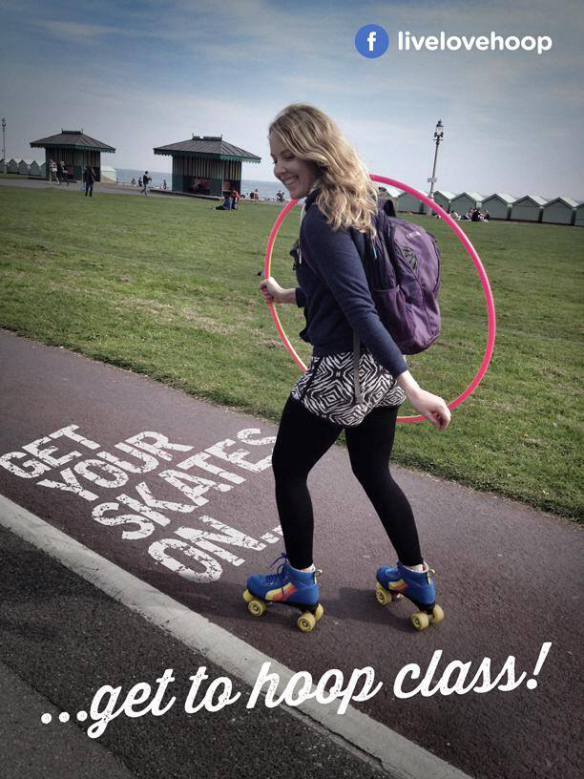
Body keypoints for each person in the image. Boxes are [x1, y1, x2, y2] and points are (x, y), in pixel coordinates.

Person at [243, 104, 451, 632]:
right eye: (273, 158)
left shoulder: (321, 216)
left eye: (287, 155)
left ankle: (298, 580)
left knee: (288, 468)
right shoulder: (359, 201)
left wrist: (416, 389)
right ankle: (415, 577)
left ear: (314, 150)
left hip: (346, 371)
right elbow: (343, 287)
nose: (278, 168)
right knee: (373, 470)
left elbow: (359, 306)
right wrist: (287, 295)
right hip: (378, 372)